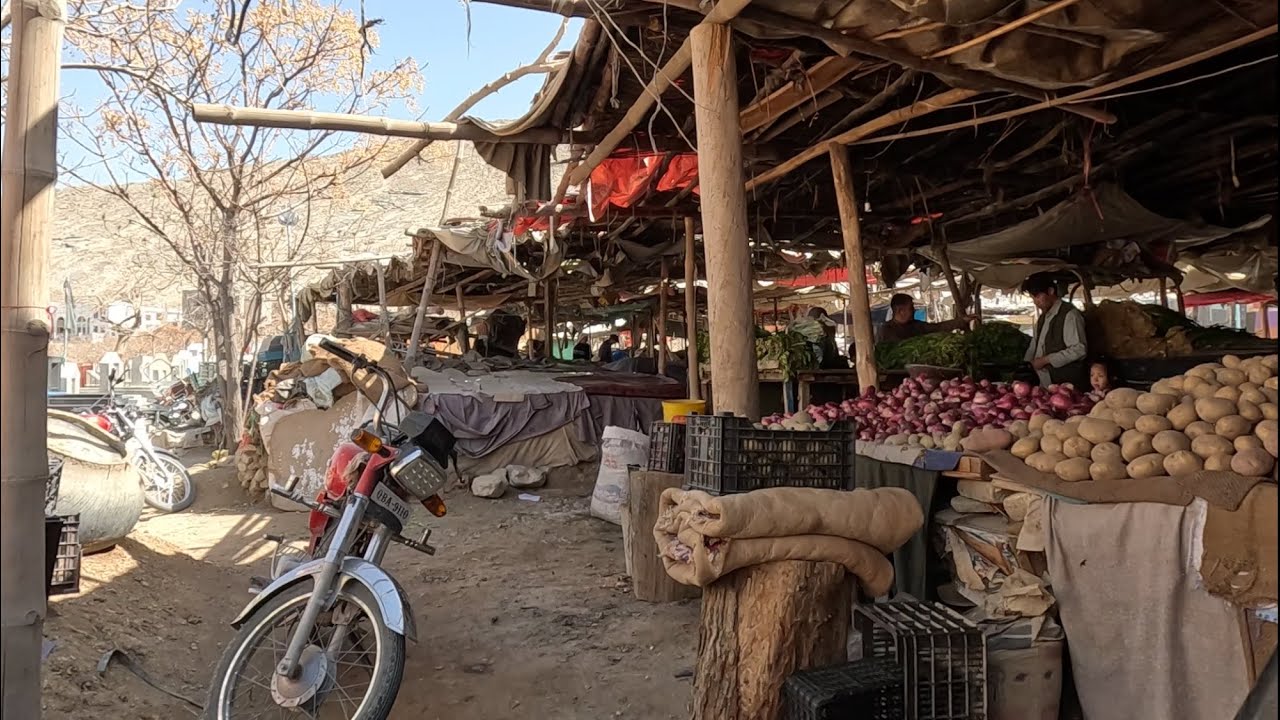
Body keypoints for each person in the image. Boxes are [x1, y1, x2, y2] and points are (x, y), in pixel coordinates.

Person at [1021, 273, 1089, 388]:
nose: (1035, 302)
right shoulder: (1043, 317)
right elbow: (1034, 344)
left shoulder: (1070, 315)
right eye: (1033, 298)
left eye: (1037, 296)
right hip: (1043, 382)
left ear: (1051, 291)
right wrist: (1026, 365)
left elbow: (1079, 349)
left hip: (1065, 384)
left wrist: (1046, 360)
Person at [877, 293, 977, 343]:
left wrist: (962, 321)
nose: (914, 310)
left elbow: (938, 327)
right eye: (911, 308)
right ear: (900, 311)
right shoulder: (886, 330)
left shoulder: (917, 325)